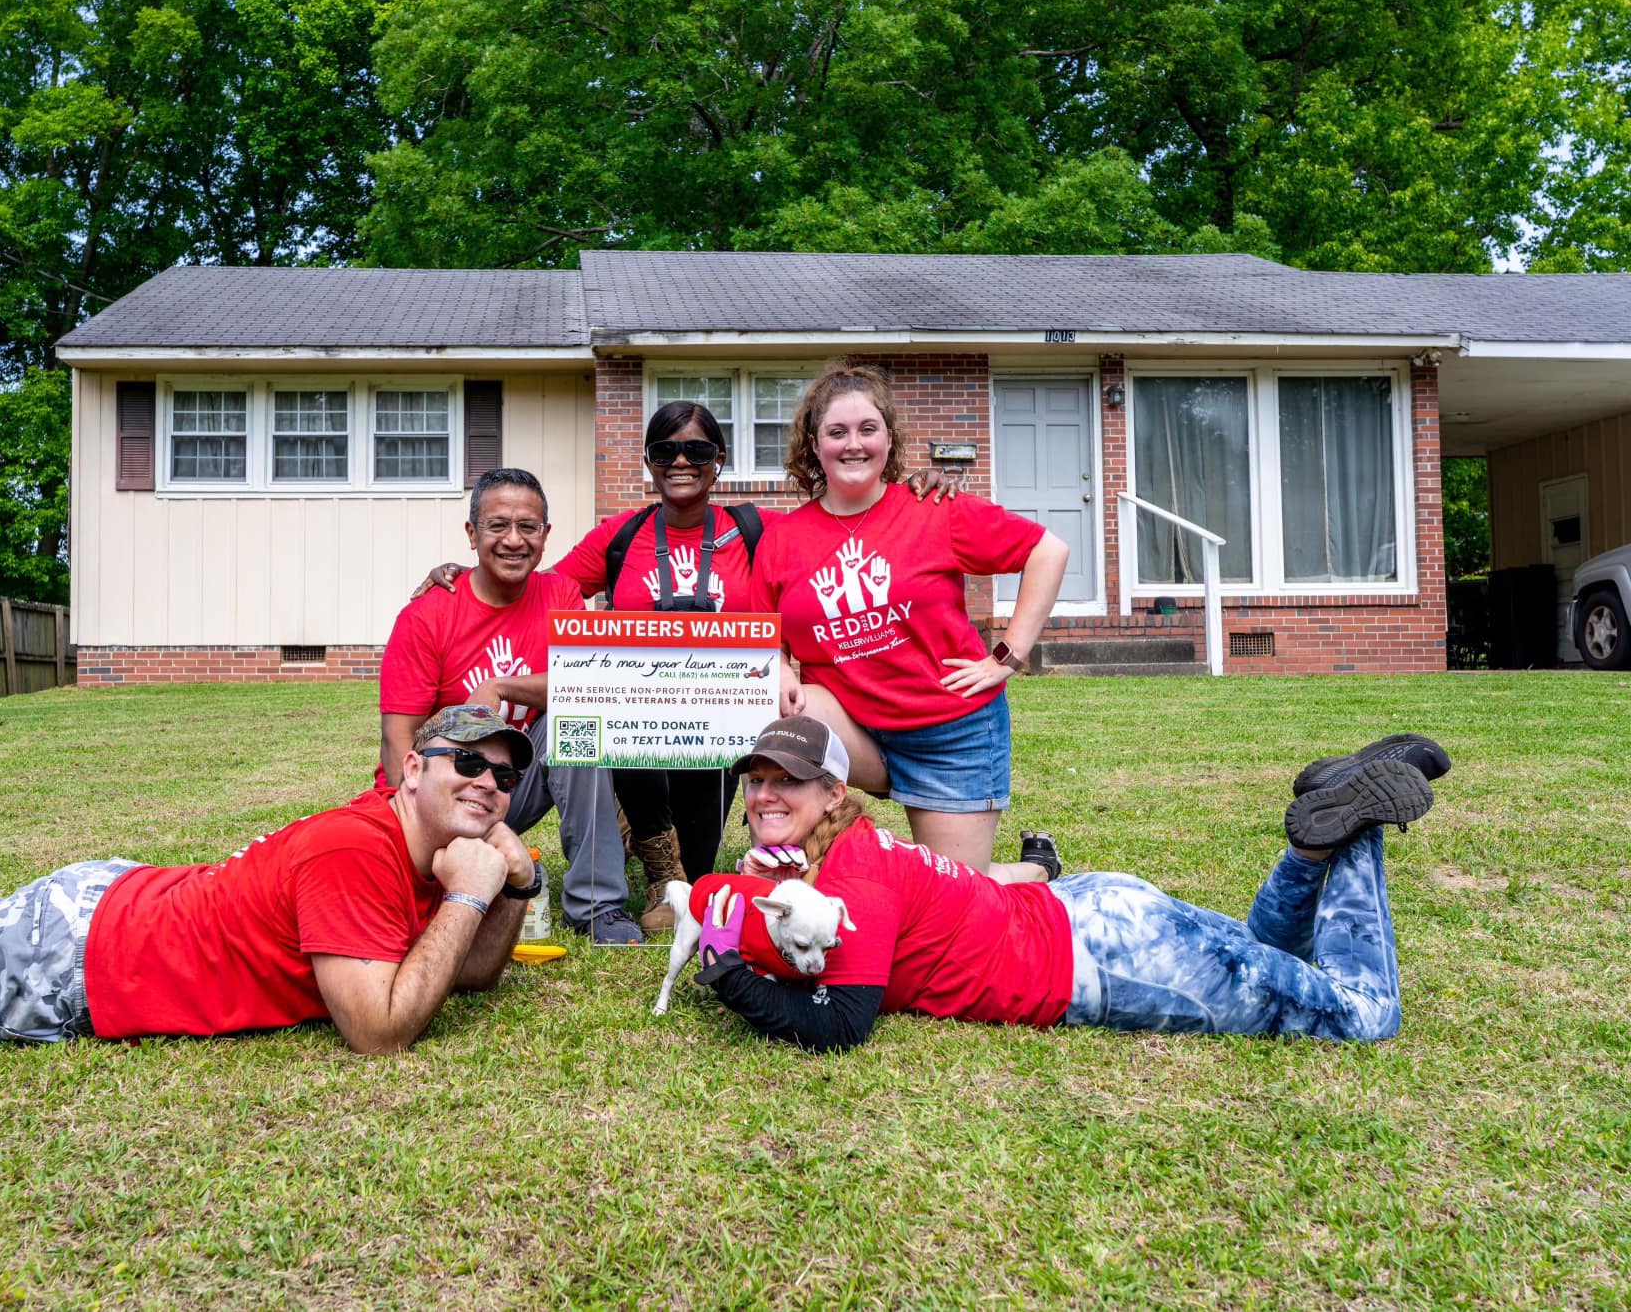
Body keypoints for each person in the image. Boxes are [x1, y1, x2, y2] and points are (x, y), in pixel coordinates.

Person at [0, 681, 542, 1057]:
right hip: (73, 963)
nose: (486, 781)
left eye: (504, 775)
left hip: (94, 921)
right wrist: (473, 888)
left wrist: (514, 887)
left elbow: (459, 975)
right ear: (409, 770)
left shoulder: (418, 857)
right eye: (464, 759)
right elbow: (378, 1031)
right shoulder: (358, 848)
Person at [414, 402, 966, 932]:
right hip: (637, 723)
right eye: (665, 450)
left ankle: (778, 856)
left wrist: (905, 493)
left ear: (718, 459)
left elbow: (850, 529)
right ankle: (650, 850)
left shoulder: (758, 530)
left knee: (700, 874)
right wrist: (467, 571)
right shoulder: (620, 536)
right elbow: (529, 577)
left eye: (697, 450)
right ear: (649, 462)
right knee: (613, 713)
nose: (681, 462)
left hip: (722, 722)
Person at [683, 718, 1449, 1051]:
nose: (764, 795)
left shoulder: (854, 870)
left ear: (834, 796)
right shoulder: (823, 860)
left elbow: (842, 1021)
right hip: (1086, 906)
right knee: (1258, 959)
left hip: (1103, 960)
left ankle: (1353, 830)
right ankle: (1312, 852)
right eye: (756, 780)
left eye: (790, 781)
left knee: (1361, 1013)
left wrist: (728, 980)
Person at [749, 359, 1071, 880]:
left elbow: (1048, 551)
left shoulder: (934, 509)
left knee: (957, 895)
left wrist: (1007, 656)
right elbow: (762, 630)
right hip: (858, 731)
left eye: (867, 429)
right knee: (775, 704)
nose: (853, 444)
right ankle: (786, 869)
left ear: (888, 438)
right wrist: (780, 665)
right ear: (815, 445)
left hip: (949, 733)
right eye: (837, 431)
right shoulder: (784, 539)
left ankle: (1034, 871)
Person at [379, 468, 635, 943]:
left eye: (528, 527)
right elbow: (398, 741)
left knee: (576, 720)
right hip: (440, 794)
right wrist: (420, 840)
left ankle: (598, 907)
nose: (513, 540)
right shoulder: (429, 614)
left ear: (546, 535)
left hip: (511, 784)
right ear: (472, 534)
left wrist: (503, 687)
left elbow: (584, 684)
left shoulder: (560, 596)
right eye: (497, 526)